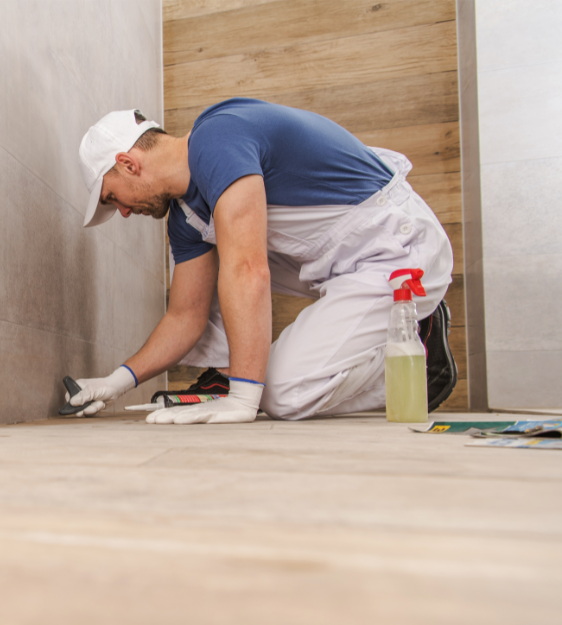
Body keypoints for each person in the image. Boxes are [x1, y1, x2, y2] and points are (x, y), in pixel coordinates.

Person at [69, 98, 457, 424]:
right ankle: (232, 377)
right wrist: (115, 381)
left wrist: (244, 399)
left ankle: (419, 351)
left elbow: (249, 270)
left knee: (282, 395)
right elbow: (185, 316)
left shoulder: (217, 139)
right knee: (226, 271)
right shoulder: (187, 217)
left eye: (111, 198)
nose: (121, 212)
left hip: (396, 249)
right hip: (342, 264)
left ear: (128, 163)